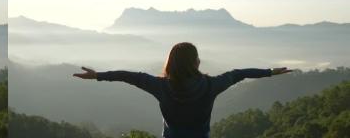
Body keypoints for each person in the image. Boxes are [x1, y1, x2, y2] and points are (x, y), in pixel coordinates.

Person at [73, 42, 292, 138]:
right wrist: (270, 71)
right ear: (195, 63)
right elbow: (238, 73)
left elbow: (128, 76)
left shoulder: (160, 86)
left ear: (171, 63)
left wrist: (98, 75)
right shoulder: (211, 85)